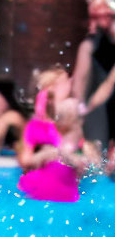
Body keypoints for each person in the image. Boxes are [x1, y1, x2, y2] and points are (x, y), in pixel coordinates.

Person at [17, 69, 98, 202]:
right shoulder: (36, 126)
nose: (70, 84)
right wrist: (42, 156)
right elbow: (25, 160)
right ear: (49, 92)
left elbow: (85, 161)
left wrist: (81, 157)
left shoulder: (73, 126)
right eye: (63, 83)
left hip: (65, 194)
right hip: (36, 192)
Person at [71, 0, 115, 147]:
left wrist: (86, 108)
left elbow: (108, 85)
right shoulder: (90, 45)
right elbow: (80, 80)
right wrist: (80, 109)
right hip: (99, 98)